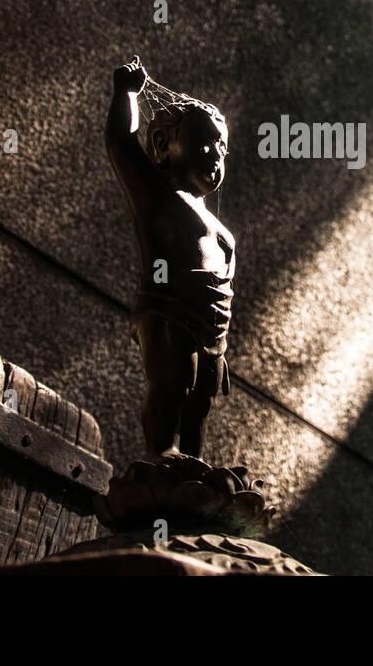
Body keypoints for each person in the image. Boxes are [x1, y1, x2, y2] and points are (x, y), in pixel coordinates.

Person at [105, 56, 235, 458]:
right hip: (167, 307)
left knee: (201, 401)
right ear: (163, 145)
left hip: (212, 325)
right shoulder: (157, 196)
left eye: (222, 147)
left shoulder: (218, 227)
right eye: (205, 142)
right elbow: (121, 143)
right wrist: (126, 93)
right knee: (174, 382)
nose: (215, 154)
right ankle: (162, 453)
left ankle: (193, 463)